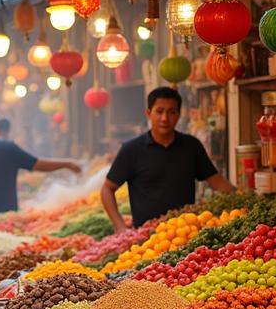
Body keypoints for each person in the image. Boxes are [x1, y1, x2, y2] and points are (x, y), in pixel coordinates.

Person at [101, 86, 235, 231]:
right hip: (146, 238)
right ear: (148, 113)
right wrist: (120, 226)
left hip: (185, 233)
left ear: (178, 115)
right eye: (159, 111)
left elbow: (217, 182)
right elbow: (107, 189)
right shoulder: (131, 150)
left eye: (171, 112)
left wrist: (244, 199)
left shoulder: (191, 146)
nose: (165, 118)